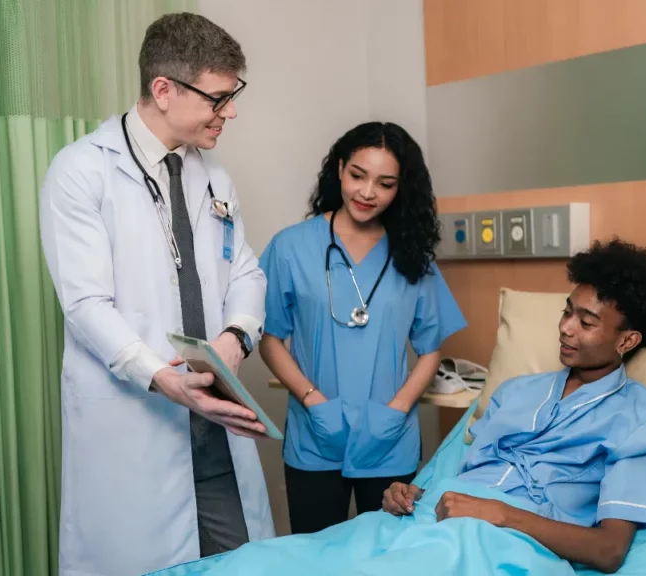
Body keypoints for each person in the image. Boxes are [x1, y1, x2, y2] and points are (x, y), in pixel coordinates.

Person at [39, 13, 274, 576]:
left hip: (214, 430)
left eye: (233, 95)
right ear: (164, 90)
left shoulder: (213, 178)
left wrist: (237, 336)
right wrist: (164, 377)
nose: (231, 111)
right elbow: (85, 305)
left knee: (245, 564)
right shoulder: (82, 172)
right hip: (136, 425)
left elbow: (246, 272)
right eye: (220, 97)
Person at [382, 238, 646, 574]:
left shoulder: (642, 418)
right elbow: (475, 485)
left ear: (626, 340)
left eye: (586, 323)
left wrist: (501, 514)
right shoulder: (515, 391)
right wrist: (413, 495)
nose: (565, 328)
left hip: (506, 547)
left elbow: (608, 550)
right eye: (567, 312)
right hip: (429, 524)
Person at [258, 122, 467, 534]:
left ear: (400, 188)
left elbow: (429, 350)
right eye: (357, 175)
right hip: (316, 434)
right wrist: (313, 400)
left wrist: (397, 411)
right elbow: (270, 340)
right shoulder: (291, 246)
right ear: (339, 169)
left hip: (389, 438)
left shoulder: (413, 257)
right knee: (316, 558)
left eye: (385, 183)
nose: (368, 192)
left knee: (390, 557)